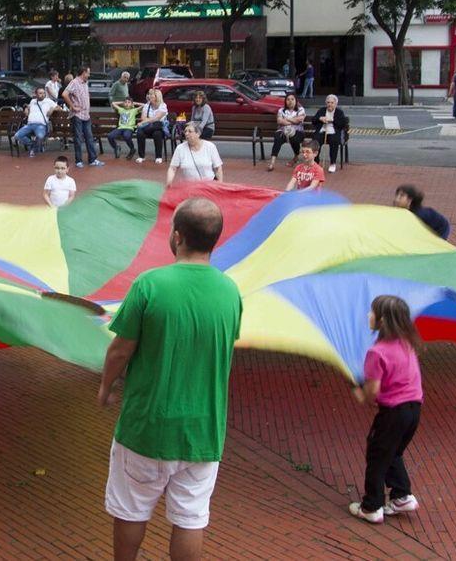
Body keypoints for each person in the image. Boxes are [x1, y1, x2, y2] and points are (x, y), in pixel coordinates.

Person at [98, 197, 242, 561]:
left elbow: (119, 351)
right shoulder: (230, 292)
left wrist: (106, 387)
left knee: (131, 509)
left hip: (146, 426)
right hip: (203, 431)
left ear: (177, 237)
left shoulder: (150, 285)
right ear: (215, 240)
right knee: (190, 519)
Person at [349, 295, 424, 524]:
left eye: (372, 312)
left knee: (377, 454)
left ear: (382, 320)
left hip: (393, 413)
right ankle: (402, 495)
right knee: (393, 452)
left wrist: (360, 393)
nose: (368, 316)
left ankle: (371, 506)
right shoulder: (407, 344)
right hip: (414, 409)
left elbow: (372, 390)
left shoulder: (377, 352)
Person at [65, 66, 103, 168]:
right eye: (88, 73)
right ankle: (78, 161)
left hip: (86, 115)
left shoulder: (85, 83)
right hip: (77, 115)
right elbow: (65, 94)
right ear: (83, 73)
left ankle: (92, 159)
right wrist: (73, 106)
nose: (89, 75)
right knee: (78, 138)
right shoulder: (74, 82)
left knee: (89, 137)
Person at [15, 86, 58, 157]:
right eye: (40, 93)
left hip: (41, 125)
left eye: (44, 93)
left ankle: (34, 148)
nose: (43, 94)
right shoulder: (33, 101)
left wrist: (52, 109)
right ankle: (33, 145)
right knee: (17, 136)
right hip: (29, 125)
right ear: (36, 94)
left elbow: (59, 108)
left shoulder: (48, 101)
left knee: (40, 136)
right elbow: (28, 106)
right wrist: (26, 108)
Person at [267, 93, 306, 172]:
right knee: (277, 138)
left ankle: (295, 157)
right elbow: (279, 121)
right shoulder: (281, 110)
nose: (290, 101)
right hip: (283, 131)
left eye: (292, 99)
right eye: (288, 99)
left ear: (296, 101)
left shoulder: (301, 109)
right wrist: (292, 120)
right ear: (285, 101)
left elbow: (299, 120)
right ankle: (272, 162)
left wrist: (286, 119)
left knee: (294, 138)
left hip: (298, 131)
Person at [312, 94, 348, 173]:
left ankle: (332, 163)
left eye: (332, 103)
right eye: (328, 102)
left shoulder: (339, 112)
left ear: (335, 104)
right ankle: (315, 162)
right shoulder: (322, 110)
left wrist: (332, 120)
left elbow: (342, 124)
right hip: (323, 131)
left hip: (333, 131)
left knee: (334, 140)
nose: (330, 104)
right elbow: (313, 120)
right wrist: (320, 118)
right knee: (316, 141)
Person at [134, 89, 169, 164]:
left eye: (151, 94)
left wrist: (144, 121)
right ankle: (141, 156)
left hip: (159, 128)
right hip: (149, 127)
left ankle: (158, 157)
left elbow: (157, 118)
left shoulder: (163, 105)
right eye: (149, 94)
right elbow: (143, 118)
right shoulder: (147, 105)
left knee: (157, 130)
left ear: (157, 97)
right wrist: (147, 120)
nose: (149, 96)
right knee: (140, 133)